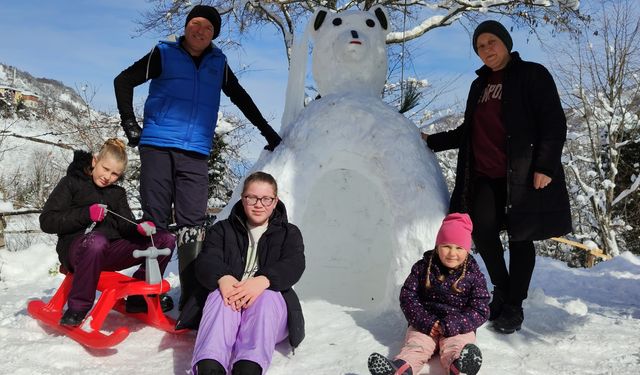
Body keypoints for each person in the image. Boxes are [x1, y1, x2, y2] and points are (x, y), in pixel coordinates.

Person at [113, 5, 283, 310]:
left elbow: (241, 97)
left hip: (195, 151)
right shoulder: (163, 53)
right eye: (195, 23)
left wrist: (267, 132)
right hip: (158, 146)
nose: (200, 29)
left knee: (193, 225)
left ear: (214, 34)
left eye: (207, 26)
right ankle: (143, 294)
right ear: (187, 26)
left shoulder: (218, 63)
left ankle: (192, 300)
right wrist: (130, 123)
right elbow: (123, 80)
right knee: (156, 223)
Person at [423, 20, 572, 334]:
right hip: (485, 176)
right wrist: (430, 142)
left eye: (492, 42)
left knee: (521, 237)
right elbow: (470, 131)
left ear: (505, 42)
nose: (486, 49)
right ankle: (502, 289)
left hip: (523, 174)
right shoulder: (480, 85)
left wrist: (544, 167)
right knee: (482, 231)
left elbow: (553, 122)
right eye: (480, 46)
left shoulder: (533, 74)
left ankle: (514, 305)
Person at [173, 172, 304, 375]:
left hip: (269, 316)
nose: (259, 204)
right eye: (252, 197)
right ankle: (209, 366)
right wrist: (223, 278)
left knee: (267, 297)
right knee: (218, 294)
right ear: (242, 198)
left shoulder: (289, 233)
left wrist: (263, 280)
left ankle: (249, 368)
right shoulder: (222, 230)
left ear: (275, 201)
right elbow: (207, 259)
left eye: (266, 199)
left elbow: (294, 263)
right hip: (229, 308)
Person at [39, 138, 175, 326]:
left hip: (109, 252)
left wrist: (140, 228)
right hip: (76, 250)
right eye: (105, 169)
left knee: (164, 240)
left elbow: (125, 226)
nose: (108, 177)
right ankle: (78, 308)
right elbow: (46, 222)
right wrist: (86, 214)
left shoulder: (117, 193)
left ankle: (140, 299)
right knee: (97, 241)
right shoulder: (71, 183)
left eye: (115, 174)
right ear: (95, 161)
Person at [368, 213, 489, 375]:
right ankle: (399, 369)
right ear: (437, 245)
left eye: (459, 248)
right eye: (446, 246)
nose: (452, 253)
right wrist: (425, 321)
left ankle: (460, 367)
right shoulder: (423, 267)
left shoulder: (473, 274)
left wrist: (455, 323)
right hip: (426, 323)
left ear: (467, 250)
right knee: (416, 346)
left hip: (458, 326)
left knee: (457, 346)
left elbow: (480, 309)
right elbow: (408, 297)